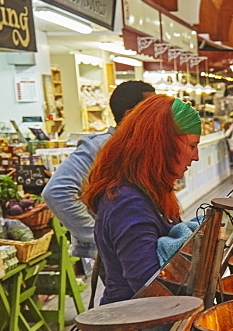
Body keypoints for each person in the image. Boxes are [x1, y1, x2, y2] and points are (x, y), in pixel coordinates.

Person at [81, 96, 201, 305]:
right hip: (134, 329)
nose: (196, 156)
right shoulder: (128, 204)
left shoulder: (149, 191)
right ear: (162, 144)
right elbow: (151, 289)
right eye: (192, 145)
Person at [43, 80, 155, 258]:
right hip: (118, 255)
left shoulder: (142, 148)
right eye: (151, 110)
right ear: (130, 114)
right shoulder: (101, 146)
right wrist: (98, 236)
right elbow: (57, 192)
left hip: (141, 247)